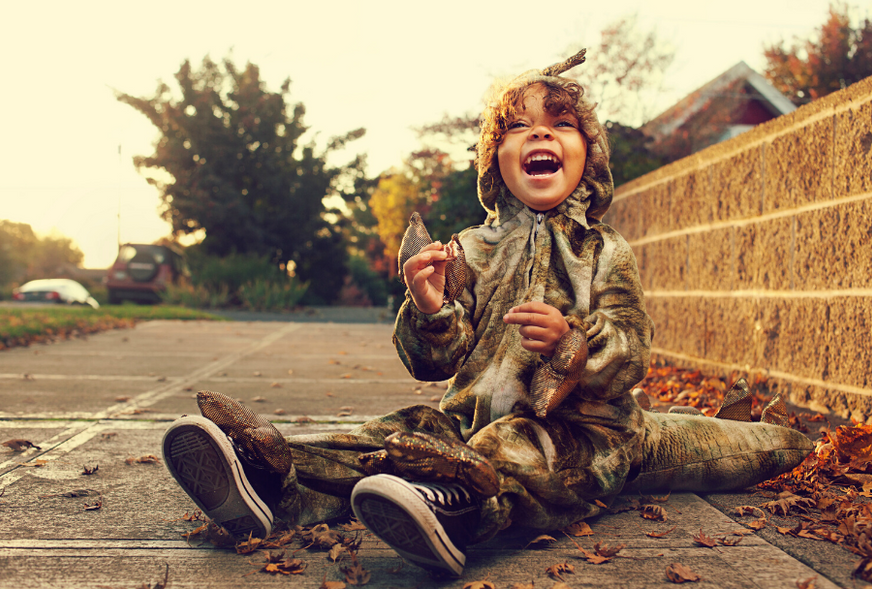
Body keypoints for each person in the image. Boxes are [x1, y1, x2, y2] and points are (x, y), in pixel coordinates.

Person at [162, 51, 811, 578]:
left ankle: (453, 512)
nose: (539, 134)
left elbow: (632, 351)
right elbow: (432, 362)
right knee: (391, 433)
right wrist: (430, 307)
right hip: (462, 418)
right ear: (494, 159)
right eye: (518, 126)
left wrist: (574, 342)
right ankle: (273, 481)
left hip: (584, 430)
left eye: (558, 123)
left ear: (589, 152)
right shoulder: (469, 249)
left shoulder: (603, 251)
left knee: (511, 448)